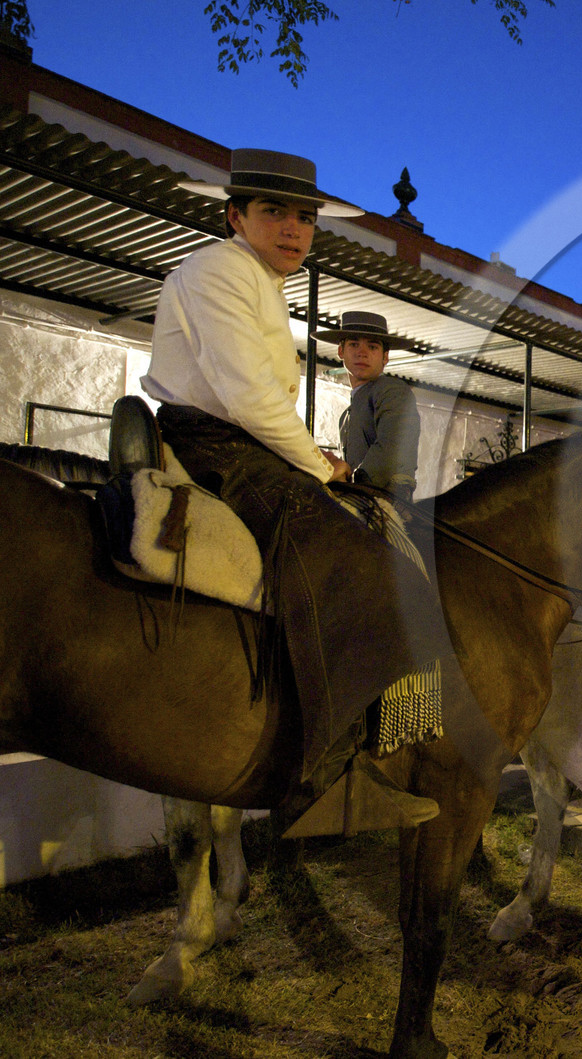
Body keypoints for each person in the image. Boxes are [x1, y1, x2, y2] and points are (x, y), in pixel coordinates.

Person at [144, 149, 502, 835]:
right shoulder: (222, 270)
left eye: (304, 216)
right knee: (368, 570)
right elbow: (249, 396)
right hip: (221, 446)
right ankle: (328, 776)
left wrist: (324, 463)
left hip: (252, 445)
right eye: (274, 211)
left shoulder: (257, 283)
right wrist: (320, 466)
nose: (293, 228)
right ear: (235, 216)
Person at [315, 310, 421, 502]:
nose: (362, 353)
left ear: (385, 357)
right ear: (341, 351)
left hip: (385, 503)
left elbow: (392, 447)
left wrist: (350, 484)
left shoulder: (392, 390)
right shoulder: (346, 416)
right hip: (358, 498)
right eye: (354, 344)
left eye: (372, 347)